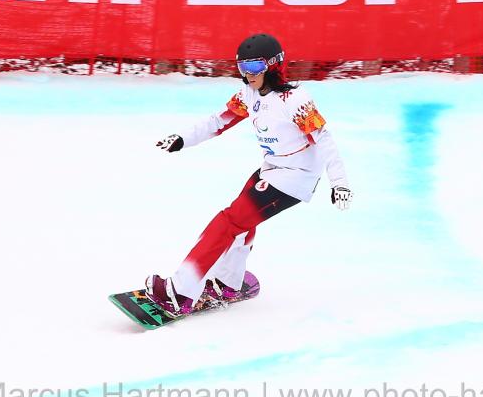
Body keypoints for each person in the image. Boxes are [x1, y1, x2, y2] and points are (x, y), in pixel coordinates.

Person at [145, 33, 352, 315]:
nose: (247, 75)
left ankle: (180, 292)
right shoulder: (249, 94)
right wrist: (183, 138)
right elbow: (220, 120)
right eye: (242, 68)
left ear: (273, 65)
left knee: (228, 221)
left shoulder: (294, 100)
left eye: (254, 68)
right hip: (272, 167)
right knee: (240, 224)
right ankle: (229, 283)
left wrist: (339, 183)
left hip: (296, 177)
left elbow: (324, 139)